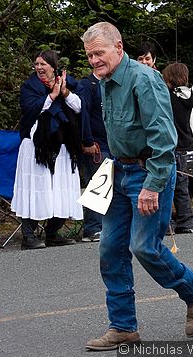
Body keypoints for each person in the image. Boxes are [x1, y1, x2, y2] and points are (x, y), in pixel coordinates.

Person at [81, 22, 193, 350]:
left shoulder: (144, 79)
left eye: (99, 53)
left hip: (149, 172)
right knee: (110, 249)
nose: (94, 60)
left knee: (144, 247)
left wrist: (152, 186)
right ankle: (123, 327)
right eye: (89, 56)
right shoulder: (105, 82)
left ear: (119, 47)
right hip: (120, 172)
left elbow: (164, 139)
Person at [11, 50, 83, 250]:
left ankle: (53, 232)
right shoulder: (29, 86)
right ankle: (28, 235)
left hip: (62, 147)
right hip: (36, 147)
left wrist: (64, 92)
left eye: (43, 64)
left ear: (53, 67)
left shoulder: (67, 83)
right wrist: (52, 95)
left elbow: (79, 107)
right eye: (37, 64)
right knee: (36, 188)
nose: (39, 67)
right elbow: (30, 109)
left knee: (60, 188)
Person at [162, 63, 193, 233]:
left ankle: (167, 223)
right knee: (182, 184)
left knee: (167, 184)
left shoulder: (169, 96)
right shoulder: (189, 95)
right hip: (184, 144)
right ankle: (187, 221)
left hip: (171, 144)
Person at [78, 71, 110, 241]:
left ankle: (106, 226)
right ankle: (92, 228)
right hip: (96, 145)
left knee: (110, 187)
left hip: (111, 143)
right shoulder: (87, 85)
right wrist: (87, 141)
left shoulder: (109, 84)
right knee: (98, 186)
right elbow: (83, 115)